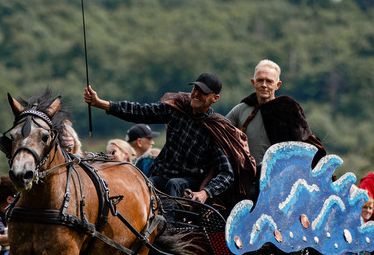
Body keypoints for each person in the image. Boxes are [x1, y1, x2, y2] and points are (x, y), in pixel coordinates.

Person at [85, 73, 253, 206]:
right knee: (145, 183)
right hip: (162, 174)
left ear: (214, 98)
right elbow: (140, 111)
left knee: (174, 184)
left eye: (203, 92)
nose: (196, 94)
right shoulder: (177, 108)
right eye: (195, 89)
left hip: (190, 184)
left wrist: (205, 193)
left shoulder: (215, 129)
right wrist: (102, 104)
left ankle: (168, 235)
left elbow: (226, 173)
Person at [225, 59, 313, 165]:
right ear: (253, 83)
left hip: (279, 176)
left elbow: (302, 148)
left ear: (278, 85)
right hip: (246, 177)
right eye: (260, 80)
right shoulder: (241, 110)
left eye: (269, 81)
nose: (264, 85)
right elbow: (220, 135)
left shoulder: (289, 111)